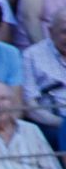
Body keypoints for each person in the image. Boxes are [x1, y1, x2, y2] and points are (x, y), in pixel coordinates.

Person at [22, 10, 66, 150]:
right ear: (50, 31)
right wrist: (62, 123)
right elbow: (30, 107)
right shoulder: (32, 55)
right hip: (52, 122)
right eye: (64, 32)